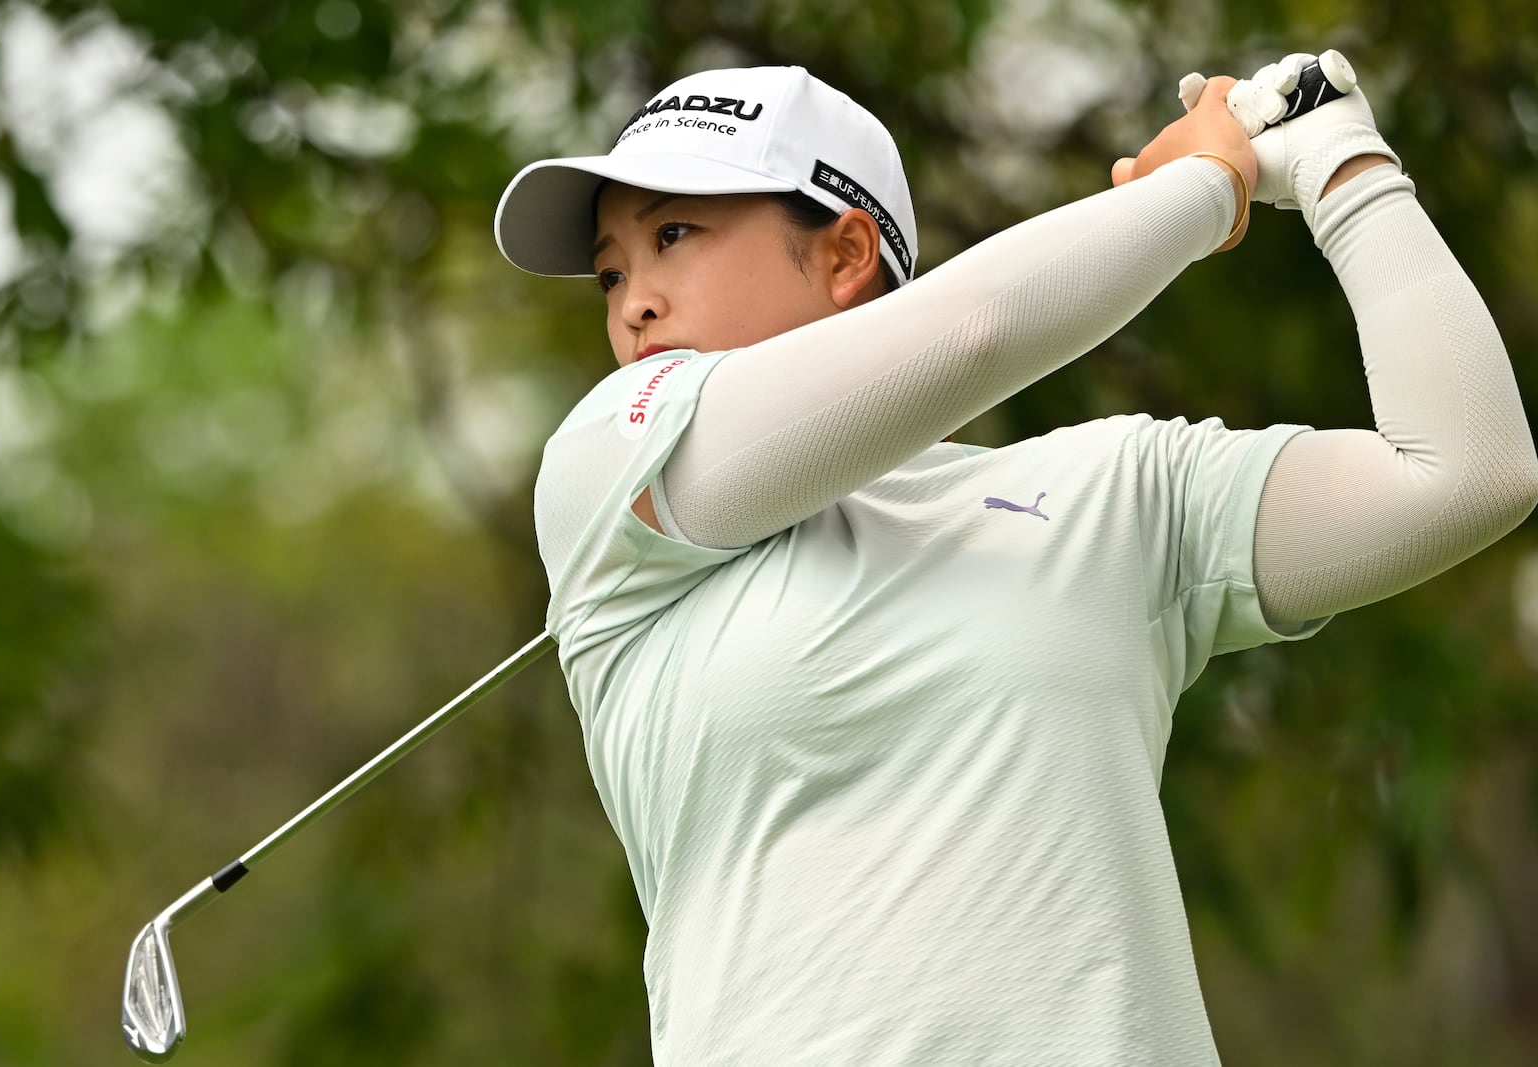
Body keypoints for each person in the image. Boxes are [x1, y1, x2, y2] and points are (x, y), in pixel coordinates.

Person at [492, 58, 1538, 1064]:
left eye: (675, 234)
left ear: (846, 255)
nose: (632, 301)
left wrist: (1345, 172)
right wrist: (1205, 187)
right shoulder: (609, 472)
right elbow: (978, 331)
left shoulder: (1117, 491)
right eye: (612, 269)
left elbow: (1466, 473)